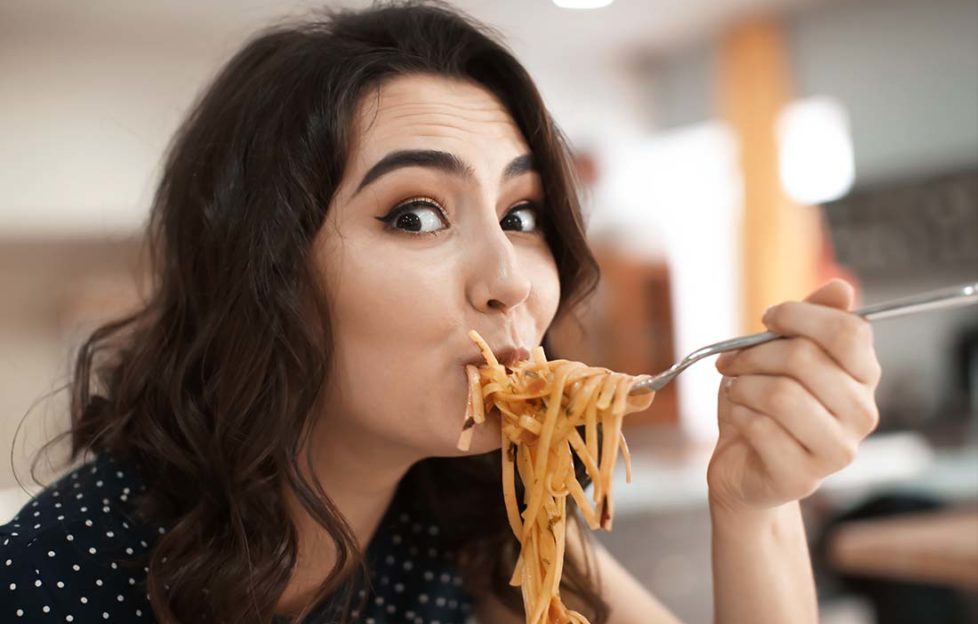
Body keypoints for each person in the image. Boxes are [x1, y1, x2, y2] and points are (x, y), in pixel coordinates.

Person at [0, 2, 882, 623]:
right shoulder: (59, 580)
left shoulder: (469, 513)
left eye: (521, 215)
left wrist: (756, 505)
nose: (513, 281)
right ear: (261, 275)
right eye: (414, 215)